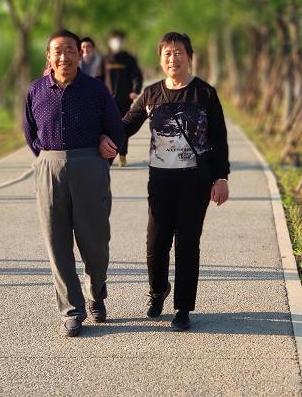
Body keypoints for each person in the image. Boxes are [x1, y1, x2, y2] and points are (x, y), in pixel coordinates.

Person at [115, 31, 229, 331]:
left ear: (189, 56)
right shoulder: (151, 93)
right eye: (167, 53)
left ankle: (182, 308)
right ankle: (157, 291)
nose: (173, 58)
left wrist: (221, 177)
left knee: (188, 244)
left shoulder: (204, 93)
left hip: (196, 180)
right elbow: (127, 124)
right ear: (160, 59)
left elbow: (219, 137)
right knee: (156, 242)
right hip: (160, 179)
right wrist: (101, 136)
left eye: (178, 52)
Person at [24, 29, 126, 338]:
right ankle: (72, 309)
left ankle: (96, 292)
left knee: (95, 244)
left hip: (89, 166)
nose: (64, 56)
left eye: (70, 50)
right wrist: (47, 160)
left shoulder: (96, 90)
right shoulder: (35, 90)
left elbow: (117, 131)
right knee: (57, 244)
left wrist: (106, 145)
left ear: (79, 54)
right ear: (48, 56)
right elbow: (30, 133)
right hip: (49, 168)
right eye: (57, 50)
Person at [100, 30, 143, 166]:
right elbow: (99, 78)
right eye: (114, 40)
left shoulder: (128, 59)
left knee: (122, 128)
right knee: (107, 129)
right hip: (107, 100)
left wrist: (135, 91)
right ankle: (108, 155)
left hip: (124, 99)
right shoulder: (105, 59)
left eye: (119, 40)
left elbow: (137, 76)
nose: (117, 43)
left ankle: (122, 155)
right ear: (110, 42)